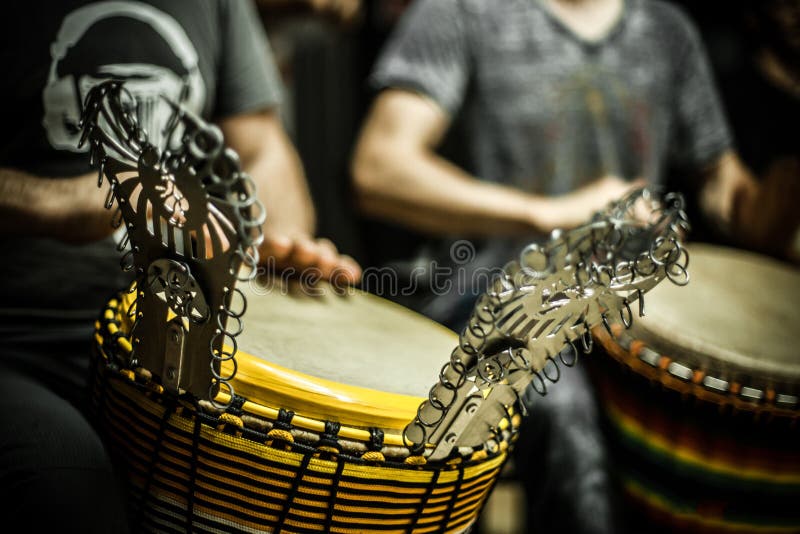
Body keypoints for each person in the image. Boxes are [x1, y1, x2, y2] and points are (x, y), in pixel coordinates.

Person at [350, 0, 799, 532]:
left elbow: (736, 205)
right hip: (491, 297)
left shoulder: (666, 30)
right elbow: (380, 167)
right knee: (568, 415)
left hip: (628, 316)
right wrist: (550, 211)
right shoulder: (461, 11)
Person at [0, 1, 360, 531]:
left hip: (185, 341)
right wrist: (51, 202)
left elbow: (260, 148)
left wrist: (273, 241)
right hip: (26, 341)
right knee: (70, 482)